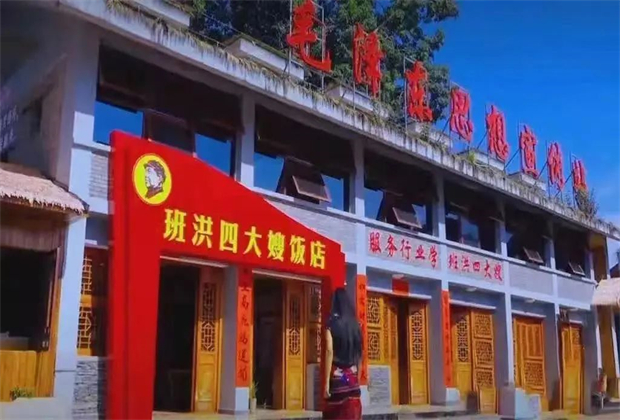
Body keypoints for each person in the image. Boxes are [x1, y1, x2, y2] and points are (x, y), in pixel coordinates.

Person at [323, 288, 362, 420]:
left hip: (339, 378)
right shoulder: (356, 325)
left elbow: (329, 350)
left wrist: (326, 383)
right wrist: (358, 378)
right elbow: (360, 353)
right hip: (351, 379)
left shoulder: (331, 323)